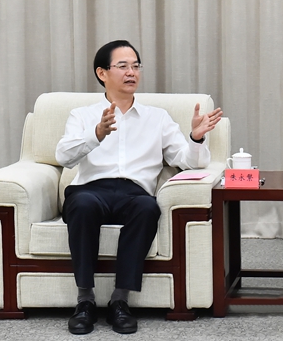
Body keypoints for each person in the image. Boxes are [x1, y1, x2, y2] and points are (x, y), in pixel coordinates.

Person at [55, 40, 223, 335]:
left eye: (135, 66)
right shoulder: (82, 115)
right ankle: (85, 301)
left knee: (148, 207)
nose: (131, 72)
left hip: (134, 194)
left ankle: (120, 301)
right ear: (102, 73)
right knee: (82, 205)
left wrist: (195, 138)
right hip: (90, 191)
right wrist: (96, 134)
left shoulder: (157, 118)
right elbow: (63, 157)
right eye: (122, 66)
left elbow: (188, 162)